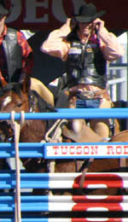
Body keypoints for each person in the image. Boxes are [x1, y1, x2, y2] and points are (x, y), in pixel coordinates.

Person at [41, 3, 124, 139]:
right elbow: (47, 47)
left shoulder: (101, 42)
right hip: (75, 96)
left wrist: (102, 31)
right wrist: (65, 29)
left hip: (98, 96)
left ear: (94, 23)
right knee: (74, 131)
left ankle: (100, 158)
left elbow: (118, 52)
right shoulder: (68, 43)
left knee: (102, 133)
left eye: (88, 22)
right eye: (82, 22)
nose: (85, 26)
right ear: (77, 23)